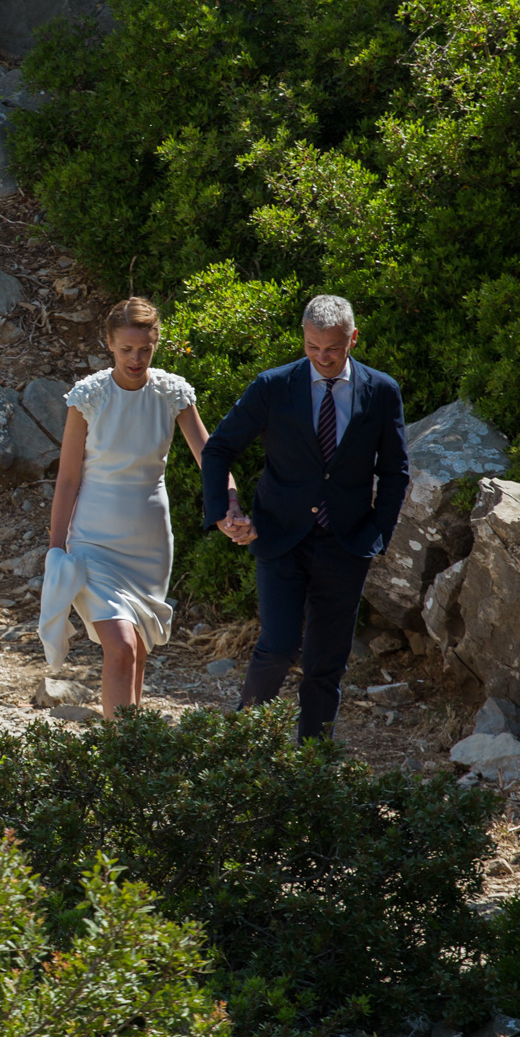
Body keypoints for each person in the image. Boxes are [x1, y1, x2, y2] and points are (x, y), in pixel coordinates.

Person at [198, 294, 408, 740]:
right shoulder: (273, 386)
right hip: (280, 537)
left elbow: (395, 472)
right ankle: (240, 746)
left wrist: (377, 533)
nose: (322, 357)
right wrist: (224, 510)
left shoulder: (382, 391)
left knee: (326, 664)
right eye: (312, 346)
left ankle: (313, 763)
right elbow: (218, 449)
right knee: (277, 648)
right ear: (303, 337)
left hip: (347, 542)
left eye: (332, 348)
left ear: (353, 338)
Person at [42, 298, 235, 719]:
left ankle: (132, 745)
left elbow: (210, 459)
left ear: (156, 344)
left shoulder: (172, 393)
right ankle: (119, 749)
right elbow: (68, 479)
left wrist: (231, 504)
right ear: (109, 343)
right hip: (93, 540)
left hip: (150, 543)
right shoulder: (88, 397)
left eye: (144, 349)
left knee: (139, 649)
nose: (136, 358)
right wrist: (56, 549)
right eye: (127, 349)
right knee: (122, 647)